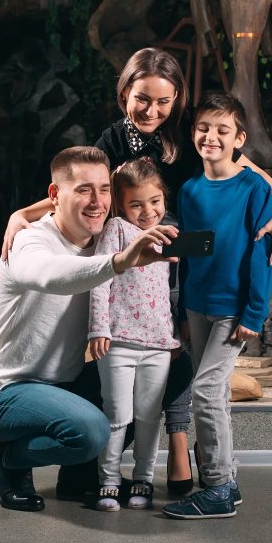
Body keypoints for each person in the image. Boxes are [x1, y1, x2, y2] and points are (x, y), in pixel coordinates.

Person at [0, 47, 272, 495]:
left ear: (177, 101)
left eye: (163, 101)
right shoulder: (112, 140)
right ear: (124, 95)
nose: (152, 110)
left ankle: (177, 449)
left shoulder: (189, 135)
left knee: (174, 361)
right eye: (142, 100)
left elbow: (244, 166)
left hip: (179, 269)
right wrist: (27, 210)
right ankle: (93, 468)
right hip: (127, 270)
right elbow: (83, 186)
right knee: (117, 384)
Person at [0, 146, 177, 512]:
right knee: (91, 430)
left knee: (176, 368)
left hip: (67, 383)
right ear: (54, 196)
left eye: (104, 189)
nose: (96, 201)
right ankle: (9, 461)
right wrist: (118, 262)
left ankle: (82, 477)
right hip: (8, 391)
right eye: (84, 189)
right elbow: (52, 275)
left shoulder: (107, 237)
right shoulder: (28, 240)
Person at [162, 92, 272, 520]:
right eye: (203, 128)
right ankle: (228, 479)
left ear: (239, 138)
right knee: (215, 397)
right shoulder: (189, 190)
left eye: (222, 130)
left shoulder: (254, 188)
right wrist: (182, 315)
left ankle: (217, 487)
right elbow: (190, 255)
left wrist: (254, 313)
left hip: (233, 309)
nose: (211, 137)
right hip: (197, 307)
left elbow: (264, 255)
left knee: (207, 392)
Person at [88, 159, 178, 511]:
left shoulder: (170, 233)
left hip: (158, 344)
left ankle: (143, 480)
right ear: (123, 205)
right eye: (136, 204)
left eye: (155, 201)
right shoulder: (117, 230)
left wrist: (173, 336)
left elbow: (169, 291)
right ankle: (108, 481)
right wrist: (98, 328)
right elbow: (99, 279)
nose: (147, 211)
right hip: (119, 342)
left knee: (148, 415)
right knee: (116, 416)